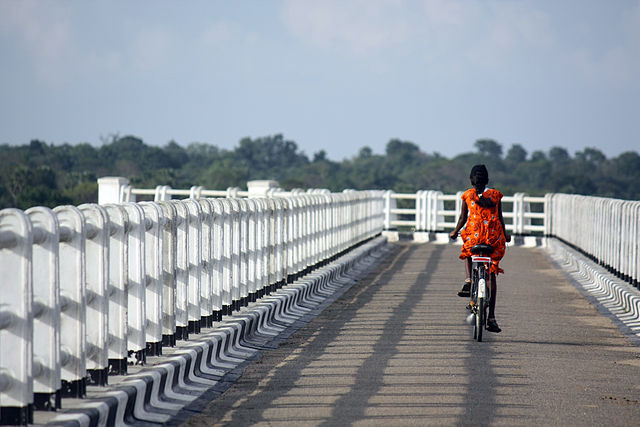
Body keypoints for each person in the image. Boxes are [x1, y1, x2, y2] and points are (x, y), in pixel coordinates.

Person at [449, 164, 510, 333]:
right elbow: (500, 218)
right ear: (487, 180)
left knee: (468, 249)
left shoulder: (468, 195)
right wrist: (506, 235)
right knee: (491, 274)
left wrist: (454, 232)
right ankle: (492, 317)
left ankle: (469, 279)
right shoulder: (496, 196)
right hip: (492, 240)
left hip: (475, 238)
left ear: (471, 180)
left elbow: (463, 218)